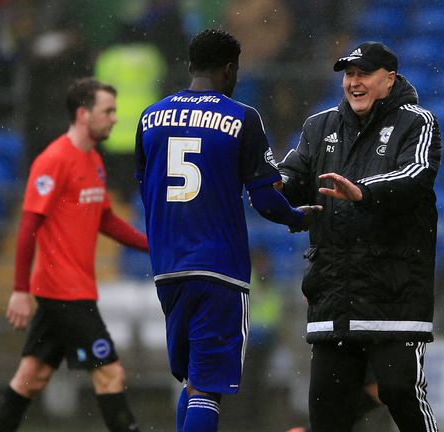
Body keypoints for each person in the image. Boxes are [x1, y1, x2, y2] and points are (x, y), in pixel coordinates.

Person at [135, 28, 319, 432]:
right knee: (208, 389)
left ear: (190, 66)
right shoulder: (241, 118)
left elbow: (146, 188)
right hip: (218, 269)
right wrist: (300, 218)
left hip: (169, 268)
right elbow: (266, 200)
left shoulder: (149, 117)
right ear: (230, 70)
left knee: (193, 380)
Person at [278, 41, 442, 431]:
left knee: (400, 390)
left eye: (363, 74)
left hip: (395, 290)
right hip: (335, 291)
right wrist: (269, 189)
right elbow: (291, 177)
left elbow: (415, 175)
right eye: (349, 75)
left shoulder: (418, 122)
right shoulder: (319, 127)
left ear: (389, 80)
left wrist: (362, 191)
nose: (353, 82)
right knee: (327, 410)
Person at [0, 77, 149, 432]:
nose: (114, 119)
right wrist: (19, 290)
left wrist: (152, 246)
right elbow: (28, 227)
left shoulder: (92, 160)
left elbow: (105, 218)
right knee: (110, 374)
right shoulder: (53, 161)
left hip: (71, 290)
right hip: (64, 293)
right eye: (107, 111)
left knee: (32, 376)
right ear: (82, 114)